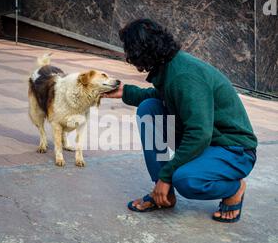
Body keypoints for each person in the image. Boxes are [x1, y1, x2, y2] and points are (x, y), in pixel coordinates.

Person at [103, 19, 257, 223]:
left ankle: (235, 188)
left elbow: (199, 134)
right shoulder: (171, 66)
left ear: (141, 51)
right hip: (210, 141)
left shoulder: (184, 75)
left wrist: (166, 175)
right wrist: (125, 92)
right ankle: (164, 195)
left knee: (186, 180)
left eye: (129, 50)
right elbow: (164, 96)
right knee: (149, 109)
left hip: (234, 150)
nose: (128, 56)